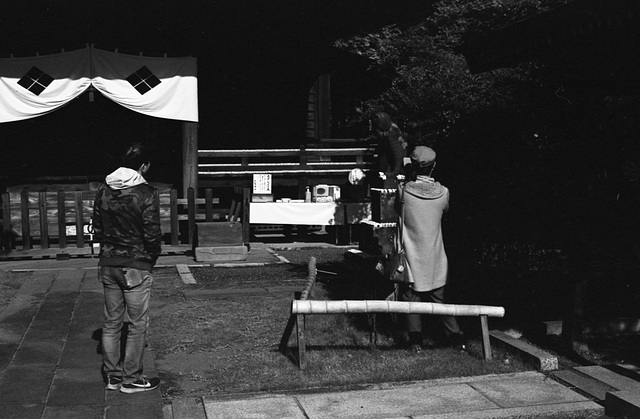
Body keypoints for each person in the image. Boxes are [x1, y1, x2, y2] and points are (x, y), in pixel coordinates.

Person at [92, 143, 162, 393]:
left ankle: (112, 376)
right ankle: (131, 378)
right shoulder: (146, 193)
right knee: (136, 324)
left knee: (111, 322)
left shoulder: (103, 190)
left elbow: (97, 228)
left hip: (108, 262)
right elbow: (152, 233)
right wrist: (151, 258)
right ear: (143, 166)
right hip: (135, 264)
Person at [395, 145, 464, 353]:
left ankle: (416, 342)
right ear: (434, 167)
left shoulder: (404, 192)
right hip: (435, 255)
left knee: (411, 299)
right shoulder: (443, 193)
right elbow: (445, 212)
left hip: (411, 255)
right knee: (440, 298)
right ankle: (456, 338)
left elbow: (397, 209)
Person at [371, 111, 407, 186]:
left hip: (397, 164)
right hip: (389, 159)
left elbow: (398, 154)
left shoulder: (392, 131)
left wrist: (394, 172)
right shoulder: (388, 130)